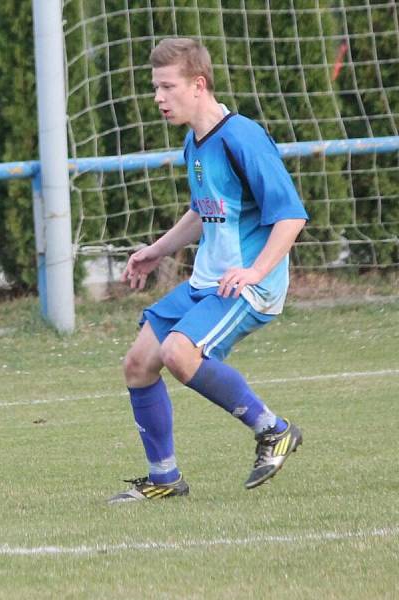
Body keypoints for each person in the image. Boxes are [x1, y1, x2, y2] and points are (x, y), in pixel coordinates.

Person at [108, 38, 308, 503]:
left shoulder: (243, 137)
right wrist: (156, 250)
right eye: (155, 88)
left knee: (180, 352)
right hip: (207, 282)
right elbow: (204, 211)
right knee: (139, 364)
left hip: (247, 286)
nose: (158, 98)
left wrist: (256, 272)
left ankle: (273, 431)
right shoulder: (195, 142)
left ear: (198, 85)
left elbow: (291, 215)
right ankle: (164, 479)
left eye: (166, 87)